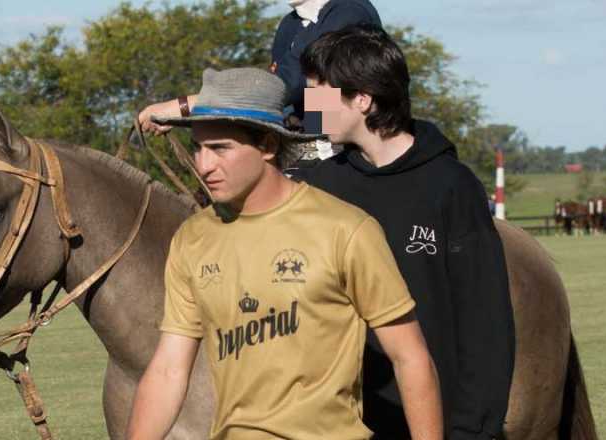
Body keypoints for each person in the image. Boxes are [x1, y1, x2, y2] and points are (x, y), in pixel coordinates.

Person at [126, 67, 443, 440]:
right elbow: (168, 369)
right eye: (198, 147)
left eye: (220, 148)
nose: (203, 165)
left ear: (268, 146)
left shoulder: (345, 229)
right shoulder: (192, 238)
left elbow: (411, 358)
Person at [296, 25, 515, 440]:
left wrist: (473, 431)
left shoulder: (451, 185)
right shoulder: (322, 186)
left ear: (361, 98)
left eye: (317, 92)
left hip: (443, 423)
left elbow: (486, 324)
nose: (309, 106)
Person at [137, 0, 381, 164]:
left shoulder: (349, 12)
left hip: (356, 157)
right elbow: (292, 101)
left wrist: (184, 106)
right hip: (310, 147)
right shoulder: (292, 24)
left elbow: (287, 85)